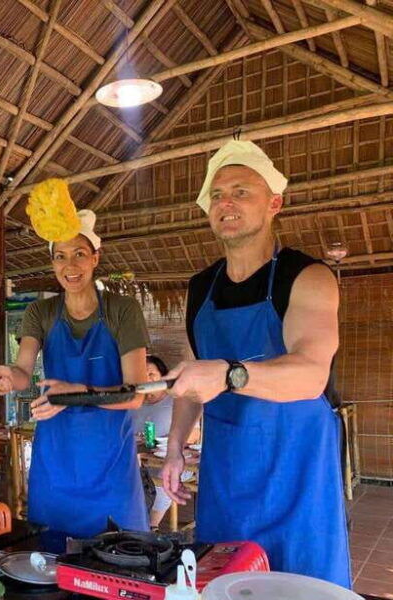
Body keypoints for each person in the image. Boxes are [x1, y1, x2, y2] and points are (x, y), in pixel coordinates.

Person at [159, 140, 350, 587]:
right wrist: (174, 446)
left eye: (241, 191)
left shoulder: (308, 277)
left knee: (302, 587)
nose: (226, 202)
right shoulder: (200, 287)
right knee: (225, 583)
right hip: (227, 475)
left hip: (298, 476)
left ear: (274, 203)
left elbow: (310, 374)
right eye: (218, 194)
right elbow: (193, 379)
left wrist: (228, 373)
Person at [0, 209, 150, 537]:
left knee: (119, 562)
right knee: (50, 564)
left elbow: (135, 393)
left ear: (95, 258)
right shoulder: (41, 312)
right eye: (60, 256)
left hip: (111, 465)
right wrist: (9, 376)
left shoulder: (123, 310)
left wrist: (75, 393)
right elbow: (23, 370)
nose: (70, 266)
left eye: (79, 254)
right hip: (55, 461)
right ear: (52, 263)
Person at [132, 355, 198, 529]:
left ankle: (152, 525)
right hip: (144, 459)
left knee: (161, 474)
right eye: (141, 374)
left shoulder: (176, 401)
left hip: (176, 460)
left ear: (163, 376)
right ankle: (134, 521)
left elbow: (194, 435)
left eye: (151, 374)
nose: (146, 379)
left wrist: (171, 443)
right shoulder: (135, 403)